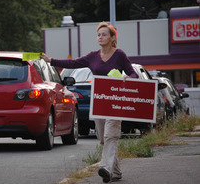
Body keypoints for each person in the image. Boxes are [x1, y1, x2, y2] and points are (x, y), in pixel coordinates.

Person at [41, 21, 138, 183]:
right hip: (99, 102)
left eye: (104, 34)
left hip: (115, 101)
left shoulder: (120, 55)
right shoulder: (93, 56)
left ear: (113, 37)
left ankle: (105, 167)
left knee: (110, 135)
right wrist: (51, 60)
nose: (100, 37)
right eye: (98, 34)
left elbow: (133, 74)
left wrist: (127, 78)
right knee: (102, 137)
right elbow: (72, 63)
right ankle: (116, 171)